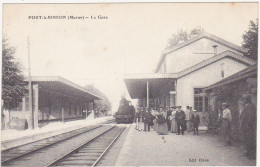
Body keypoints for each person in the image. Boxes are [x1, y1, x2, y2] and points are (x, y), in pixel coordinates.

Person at [239, 94, 256, 159]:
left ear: (247, 99)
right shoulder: (246, 106)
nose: (243, 100)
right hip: (245, 126)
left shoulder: (251, 106)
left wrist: (248, 125)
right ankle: (247, 152)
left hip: (248, 127)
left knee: (249, 139)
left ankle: (251, 154)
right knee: (246, 139)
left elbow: (251, 117)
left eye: (244, 99)